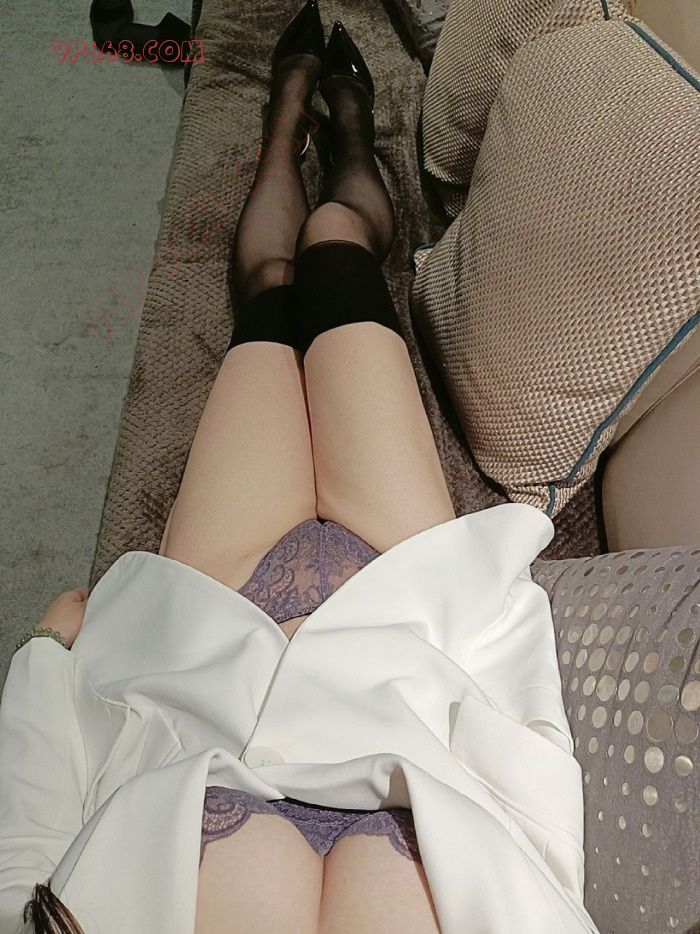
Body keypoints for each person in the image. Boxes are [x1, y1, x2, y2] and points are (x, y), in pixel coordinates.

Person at [0, 3, 599, 932]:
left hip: (213, 628)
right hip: (404, 605)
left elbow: (21, 876)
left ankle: (287, 120)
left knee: (272, 299)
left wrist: (43, 662)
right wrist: (507, 638)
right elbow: (547, 840)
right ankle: (346, 126)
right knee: (337, 251)